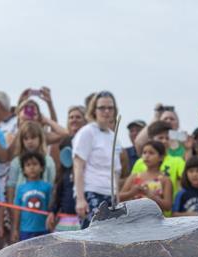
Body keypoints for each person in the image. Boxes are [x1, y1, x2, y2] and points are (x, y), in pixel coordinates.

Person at [72, 91, 123, 227]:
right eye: (102, 107)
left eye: (110, 108)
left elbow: (116, 171)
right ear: (94, 110)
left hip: (110, 195)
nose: (106, 111)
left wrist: (117, 196)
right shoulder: (87, 132)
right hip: (92, 193)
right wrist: (80, 199)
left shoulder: (114, 137)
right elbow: (78, 166)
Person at [118, 141, 172, 214]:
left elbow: (168, 206)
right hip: (133, 219)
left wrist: (150, 195)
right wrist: (131, 193)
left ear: (161, 157)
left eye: (151, 153)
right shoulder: (134, 177)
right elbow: (118, 198)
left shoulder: (165, 180)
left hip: (154, 222)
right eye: (144, 152)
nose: (146, 156)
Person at [11, 152, 55, 242]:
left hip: (43, 229)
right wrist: (15, 229)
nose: (32, 167)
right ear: (23, 170)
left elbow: (51, 207)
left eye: (35, 164)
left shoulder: (48, 187)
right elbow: (17, 210)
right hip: (25, 230)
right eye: (28, 165)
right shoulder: (21, 188)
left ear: (42, 167)